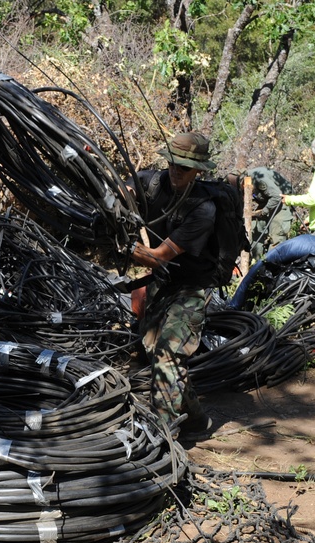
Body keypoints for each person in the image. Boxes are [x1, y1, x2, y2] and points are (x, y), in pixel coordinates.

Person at [128, 132, 243, 434]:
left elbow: (157, 257)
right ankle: (197, 419)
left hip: (192, 288)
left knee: (169, 355)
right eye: (173, 164)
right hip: (163, 284)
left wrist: (126, 247)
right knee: (157, 353)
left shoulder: (204, 208)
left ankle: (162, 437)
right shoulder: (153, 182)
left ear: (199, 171)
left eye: (185, 168)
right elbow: (118, 189)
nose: (176, 172)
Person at [229, 166, 294, 260]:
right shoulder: (240, 183)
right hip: (268, 200)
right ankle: (256, 262)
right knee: (255, 229)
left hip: (283, 200)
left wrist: (264, 212)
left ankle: (273, 268)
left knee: (277, 235)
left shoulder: (258, 179)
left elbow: (277, 196)